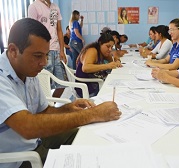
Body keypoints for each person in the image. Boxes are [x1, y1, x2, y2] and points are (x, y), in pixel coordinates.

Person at [0, 18, 121, 168]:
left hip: (37, 141)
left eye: (46, 55)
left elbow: (43, 111)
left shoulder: (27, 72)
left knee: (88, 136)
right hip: (19, 159)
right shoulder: (2, 80)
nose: (44, 62)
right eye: (38, 56)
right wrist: (94, 114)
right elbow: (27, 127)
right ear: (13, 51)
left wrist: (68, 108)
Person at [28, 0, 67, 98]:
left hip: (56, 50)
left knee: (62, 84)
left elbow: (59, 30)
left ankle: (50, 105)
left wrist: (62, 50)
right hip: (43, 52)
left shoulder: (55, 7)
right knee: (44, 85)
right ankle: (44, 108)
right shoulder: (34, 6)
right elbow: (32, 31)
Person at [75, 33, 122, 97]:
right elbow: (85, 68)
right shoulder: (92, 50)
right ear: (100, 44)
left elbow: (113, 60)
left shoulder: (103, 52)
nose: (110, 49)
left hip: (96, 83)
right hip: (87, 87)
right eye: (108, 46)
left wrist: (117, 61)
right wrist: (107, 66)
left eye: (111, 47)